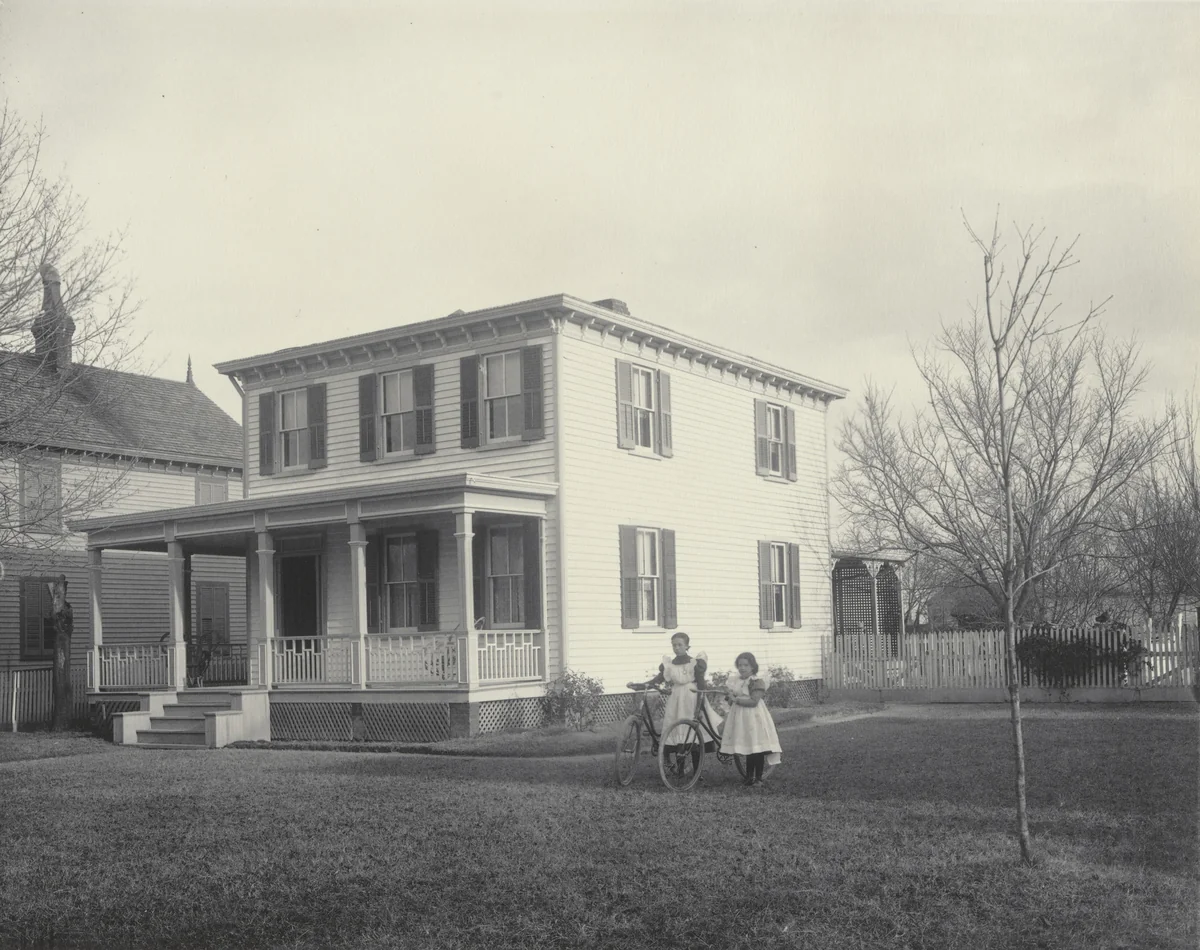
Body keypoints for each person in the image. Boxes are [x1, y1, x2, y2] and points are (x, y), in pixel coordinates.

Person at [627, 632, 722, 773]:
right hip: (676, 699)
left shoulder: (695, 663)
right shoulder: (670, 665)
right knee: (676, 731)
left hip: (691, 697)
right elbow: (658, 680)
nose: (676, 648)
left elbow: (701, 683)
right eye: (674, 645)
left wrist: (701, 699)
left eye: (680, 645)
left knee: (692, 732)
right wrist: (641, 685)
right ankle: (680, 769)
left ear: (687, 646)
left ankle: (697, 771)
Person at [720, 651, 781, 787]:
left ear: (753, 667)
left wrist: (736, 700)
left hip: (754, 716)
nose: (742, 668)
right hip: (740, 718)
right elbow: (732, 699)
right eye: (740, 665)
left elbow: (754, 701)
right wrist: (729, 697)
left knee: (756, 747)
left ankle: (758, 777)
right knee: (748, 747)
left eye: (746, 665)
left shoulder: (755, 681)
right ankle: (748, 777)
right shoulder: (736, 681)